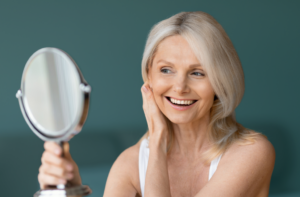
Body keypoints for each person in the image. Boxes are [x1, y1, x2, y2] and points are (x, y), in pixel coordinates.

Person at [38, 11, 275, 197]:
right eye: (166, 70)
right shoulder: (129, 164)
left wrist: (159, 140)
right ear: (149, 75)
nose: (180, 86)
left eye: (198, 73)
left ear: (219, 81)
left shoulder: (251, 153)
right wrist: (71, 191)